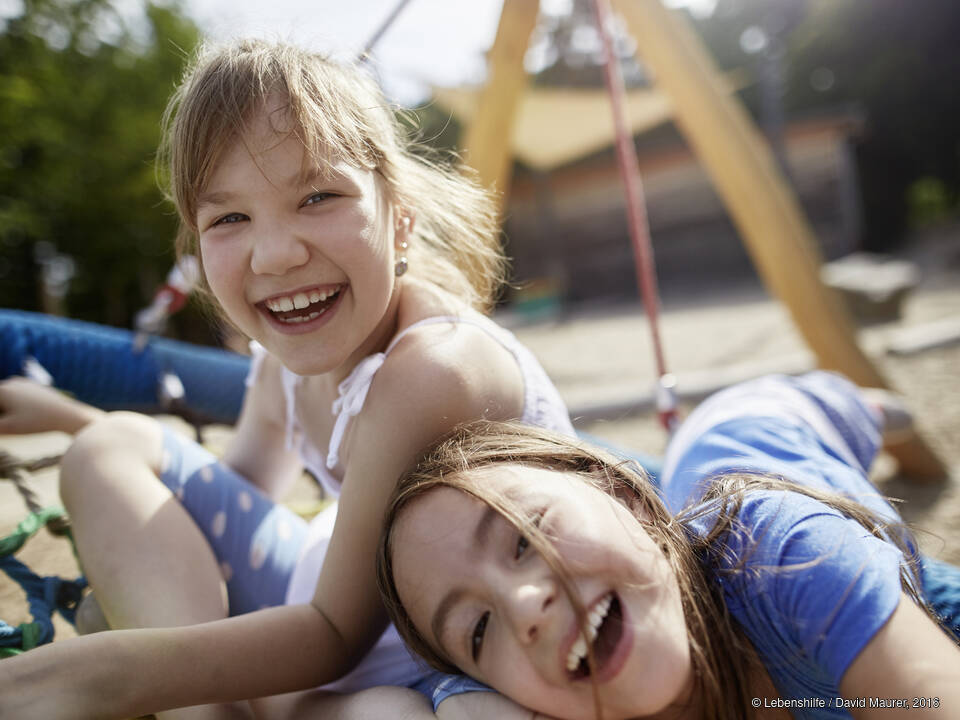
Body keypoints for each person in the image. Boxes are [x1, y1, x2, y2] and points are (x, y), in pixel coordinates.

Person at [0, 38, 575, 720]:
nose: (275, 254)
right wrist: (74, 420)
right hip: (316, 627)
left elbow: (334, 634)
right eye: (230, 218)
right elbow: (220, 502)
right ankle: (207, 708)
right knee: (111, 449)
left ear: (401, 220)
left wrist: (94, 675)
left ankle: (206, 693)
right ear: (196, 250)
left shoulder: (437, 371)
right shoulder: (282, 371)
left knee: (395, 715)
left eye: (317, 196)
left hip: (466, 657)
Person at [378, 372, 960, 720]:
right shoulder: (506, 695)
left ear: (626, 496)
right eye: (478, 630)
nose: (525, 607)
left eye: (526, 538)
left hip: (760, 440)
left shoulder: (783, 549)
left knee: (749, 431)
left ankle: (868, 408)